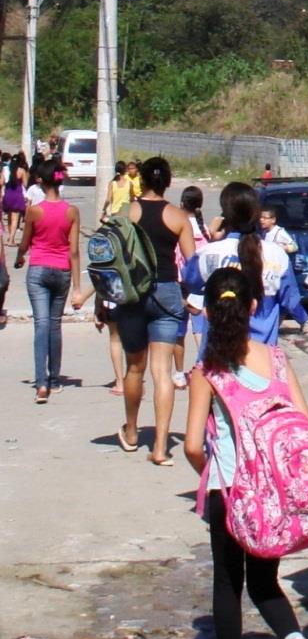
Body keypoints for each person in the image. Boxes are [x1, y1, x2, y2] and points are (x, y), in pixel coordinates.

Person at [183, 266, 308, 639]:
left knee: (228, 584)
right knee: (264, 582)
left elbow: (190, 444)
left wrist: (212, 474)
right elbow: (304, 426)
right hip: (273, 498)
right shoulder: (279, 360)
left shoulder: (207, 371)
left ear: (208, 311)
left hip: (231, 489)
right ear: (252, 307)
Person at [114, 157, 194, 465]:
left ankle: (132, 432)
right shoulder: (177, 216)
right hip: (166, 291)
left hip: (133, 293)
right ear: (168, 182)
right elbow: (192, 263)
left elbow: (113, 257)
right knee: (162, 372)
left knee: (135, 368)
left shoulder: (127, 212)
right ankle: (160, 447)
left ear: (141, 181)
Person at [182, 182, 308, 346]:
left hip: (218, 357)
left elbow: (188, 282)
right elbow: (290, 300)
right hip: (263, 358)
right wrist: (305, 320)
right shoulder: (277, 254)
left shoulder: (208, 254)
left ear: (225, 215)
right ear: (257, 214)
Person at [14, 158, 82, 403]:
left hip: (38, 270)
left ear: (41, 183)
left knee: (41, 325)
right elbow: (74, 251)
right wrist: (77, 287)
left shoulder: (34, 211)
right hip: (62, 271)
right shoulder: (72, 212)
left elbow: (25, 241)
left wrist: (21, 256)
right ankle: (54, 379)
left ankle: (41, 384)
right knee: (54, 325)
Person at [174, 186, 210, 387]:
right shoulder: (205, 229)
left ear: (181, 205)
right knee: (200, 327)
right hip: (201, 283)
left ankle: (179, 373)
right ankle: (202, 365)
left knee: (179, 331)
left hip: (180, 281)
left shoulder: (178, 226)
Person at [3, 152, 28, 244]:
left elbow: (2, 181)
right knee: (15, 218)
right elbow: (25, 184)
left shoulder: (6, 170)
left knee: (9, 217)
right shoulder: (21, 171)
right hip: (17, 194)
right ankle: (11, 239)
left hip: (8, 193)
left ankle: (10, 236)